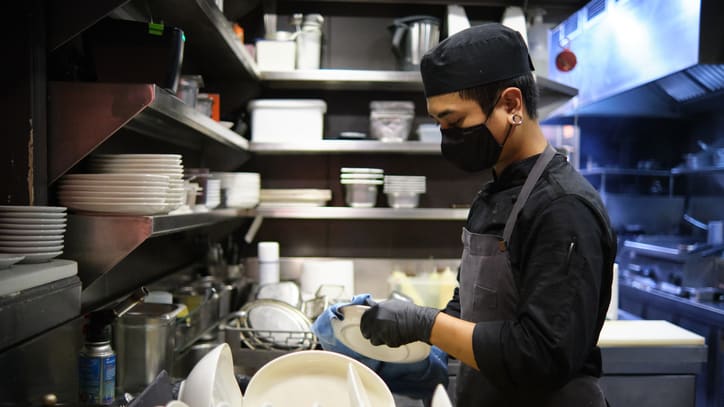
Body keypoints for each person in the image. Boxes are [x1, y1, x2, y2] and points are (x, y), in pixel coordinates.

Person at [360, 23, 617, 406]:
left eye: (455, 122)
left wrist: (424, 323)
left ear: (511, 104)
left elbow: (541, 355)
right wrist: (415, 349)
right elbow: (471, 311)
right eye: (440, 124)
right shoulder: (493, 195)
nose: (447, 137)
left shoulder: (563, 209)